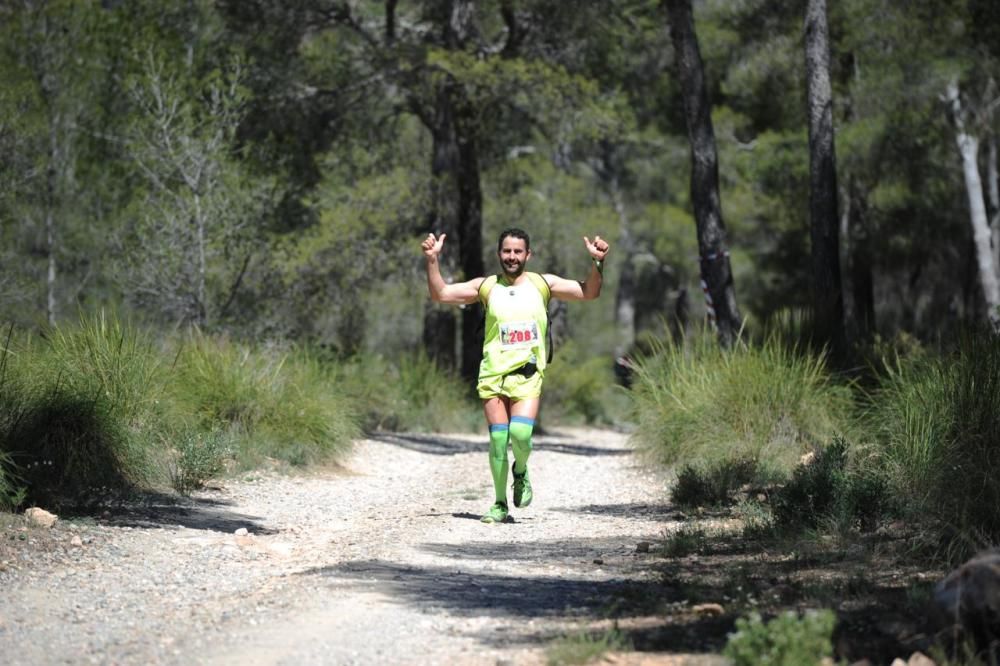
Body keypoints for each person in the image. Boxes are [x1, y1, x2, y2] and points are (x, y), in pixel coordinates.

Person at [421, 227, 610, 523]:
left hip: (528, 374)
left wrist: (597, 263)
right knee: (498, 440)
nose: (512, 257)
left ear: (528, 254)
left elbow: (589, 291)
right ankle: (499, 504)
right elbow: (441, 293)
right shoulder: (486, 287)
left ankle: (520, 471)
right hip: (493, 375)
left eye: (517, 251)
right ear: (499, 254)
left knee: (520, 434)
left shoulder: (543, 284)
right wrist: (432, 260)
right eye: (507, 251)